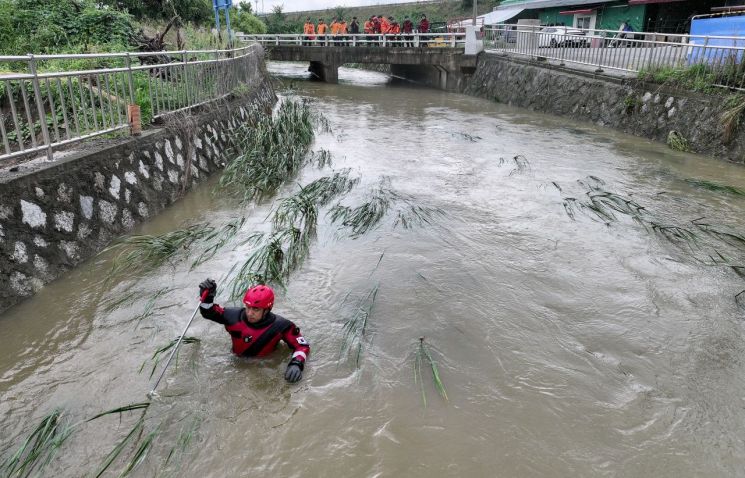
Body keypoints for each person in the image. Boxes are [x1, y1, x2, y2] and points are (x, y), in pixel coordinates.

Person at [198, 280, 310, 383]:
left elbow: (302, 346)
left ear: (267, 310)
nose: (250, 313)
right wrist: (207, 297)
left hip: (263, 366)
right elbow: (209, 312)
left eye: (256, 309)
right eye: (248, 307)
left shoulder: (281, 326)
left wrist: (296, 363)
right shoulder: (233, 317)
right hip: (235, 361)